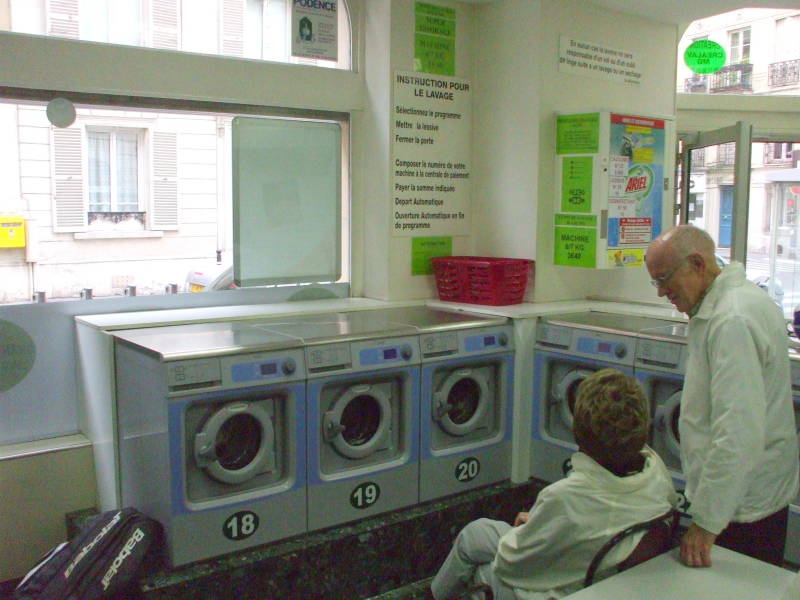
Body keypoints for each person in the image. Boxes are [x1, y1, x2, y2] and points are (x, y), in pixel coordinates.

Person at [430, 369, 677, 600]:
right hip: (605, 574)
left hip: (565, 590)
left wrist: (532, 529)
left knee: (479, 556)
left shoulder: (565, 497)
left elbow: (512, 564)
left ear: (578, 433)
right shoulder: (656, 469)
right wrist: (542, 522)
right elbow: (601, 522)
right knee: (479, 535)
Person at [645, 224, 799, 568]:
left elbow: (738, 431)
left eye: (665, 279)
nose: (661, 292)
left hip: (741, 504)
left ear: (698, 264)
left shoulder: (732, 320)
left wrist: (707, 522)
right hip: (745, 493)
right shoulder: (731, 302)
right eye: (655, 281)